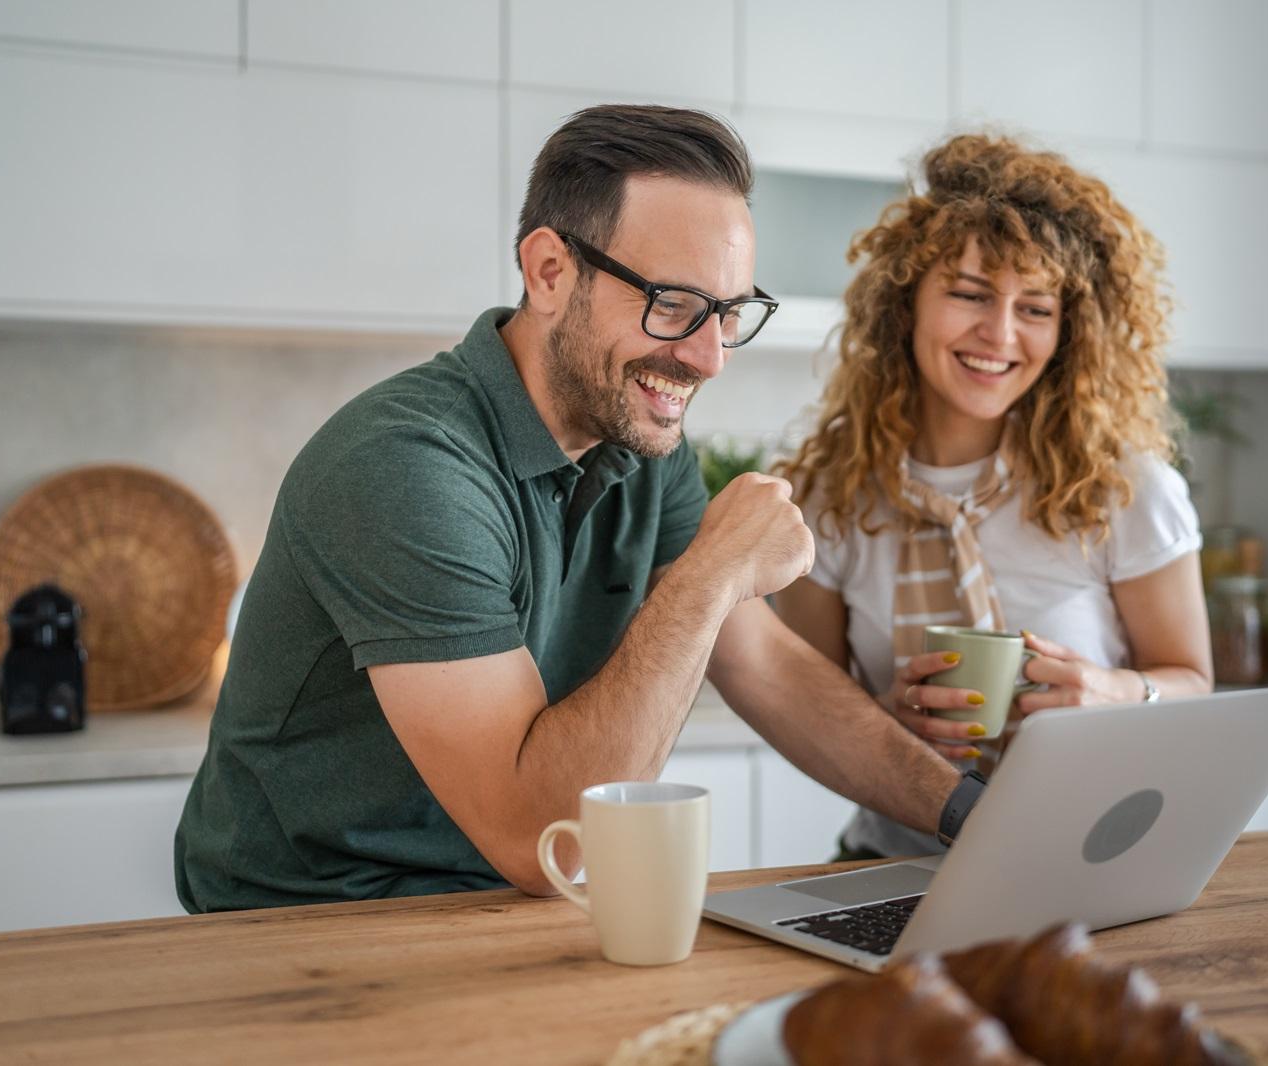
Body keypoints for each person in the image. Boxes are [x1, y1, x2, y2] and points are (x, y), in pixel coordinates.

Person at [174, 105, 973, 911]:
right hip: (304, 921)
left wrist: (969, 816)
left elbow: (762, 665)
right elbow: (540, 838)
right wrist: (711, 572)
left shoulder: (639, 437)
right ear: (550, 270)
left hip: (504, 909)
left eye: (730, 315)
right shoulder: (405, 465)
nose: (709, 358)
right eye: (674, 304)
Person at [774, 133, 1214, 861]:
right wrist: (887, 725)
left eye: (1036, 309)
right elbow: (803, 707)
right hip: (891, 863)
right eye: (971, 294)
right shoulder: (826, 500)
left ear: (1069, 332)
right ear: (903, 303)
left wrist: (1114, 692)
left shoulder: (1125, 491)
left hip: (1089, 859)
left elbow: (1193, 683)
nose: (1000, 334)